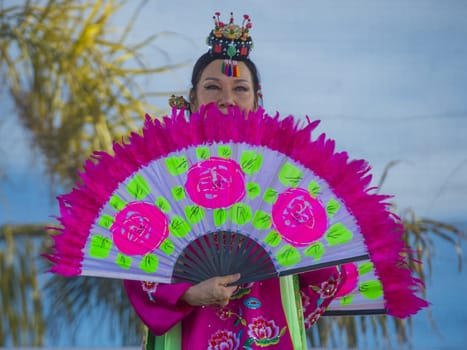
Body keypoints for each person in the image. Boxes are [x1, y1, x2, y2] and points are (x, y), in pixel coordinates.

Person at [124, 12, 344, 350]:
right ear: (192, 98)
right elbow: (136, 261)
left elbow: (325, 268)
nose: (227, 99)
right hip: (191, 331)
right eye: (213, 87)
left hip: (266, 327)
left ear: (257, 99)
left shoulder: (286, 175)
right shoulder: (162, 176)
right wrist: (187, 293)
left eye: (240, 88)